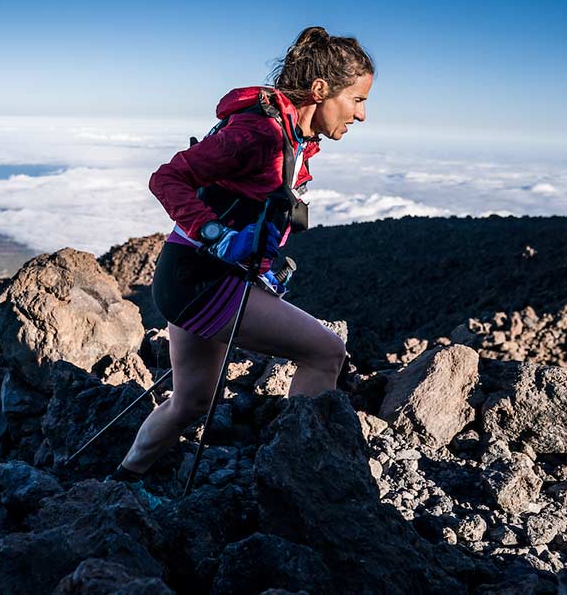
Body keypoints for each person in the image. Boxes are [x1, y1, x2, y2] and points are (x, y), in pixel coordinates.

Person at [109, 26, 374, 483]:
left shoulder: (292, 136)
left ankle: (123, 480)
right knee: (326, 353)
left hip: (189, 276)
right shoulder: (260, 133)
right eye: (357, 99)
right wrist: (215, 235)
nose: (362, 115)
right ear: (321, 90)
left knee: (191, 402)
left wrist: (262, 265)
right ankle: (301, 480)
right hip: (205, 281)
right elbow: (167, 178)